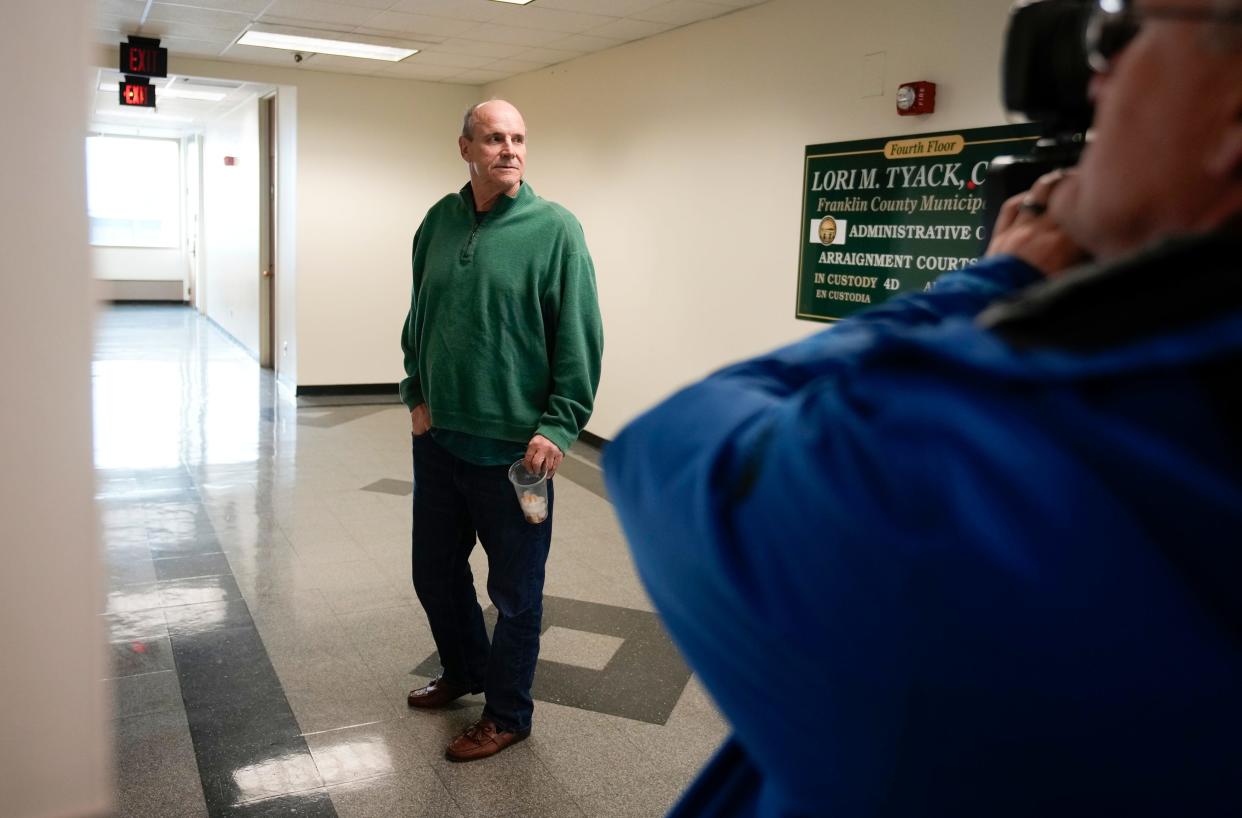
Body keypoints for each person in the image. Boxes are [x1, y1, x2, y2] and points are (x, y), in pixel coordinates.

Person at [603, 1, 1242, 815]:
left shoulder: (977, 457)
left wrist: (990, 283)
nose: (1098, 74)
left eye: (1129, 33)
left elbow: (669, 451)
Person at [399, 99, 603, 762]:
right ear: (466, 148)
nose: (508, 150)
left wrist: (560, 423)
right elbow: (419, 317)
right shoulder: (437, 222)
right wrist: (416, 395)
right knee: (435, 571)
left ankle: (508, 713)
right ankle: (465, 671)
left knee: (516, 595)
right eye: (493, 138)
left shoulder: (555, 230)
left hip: (517, 455)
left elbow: (579, 336)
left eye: (517, 138)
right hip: (440, 441)